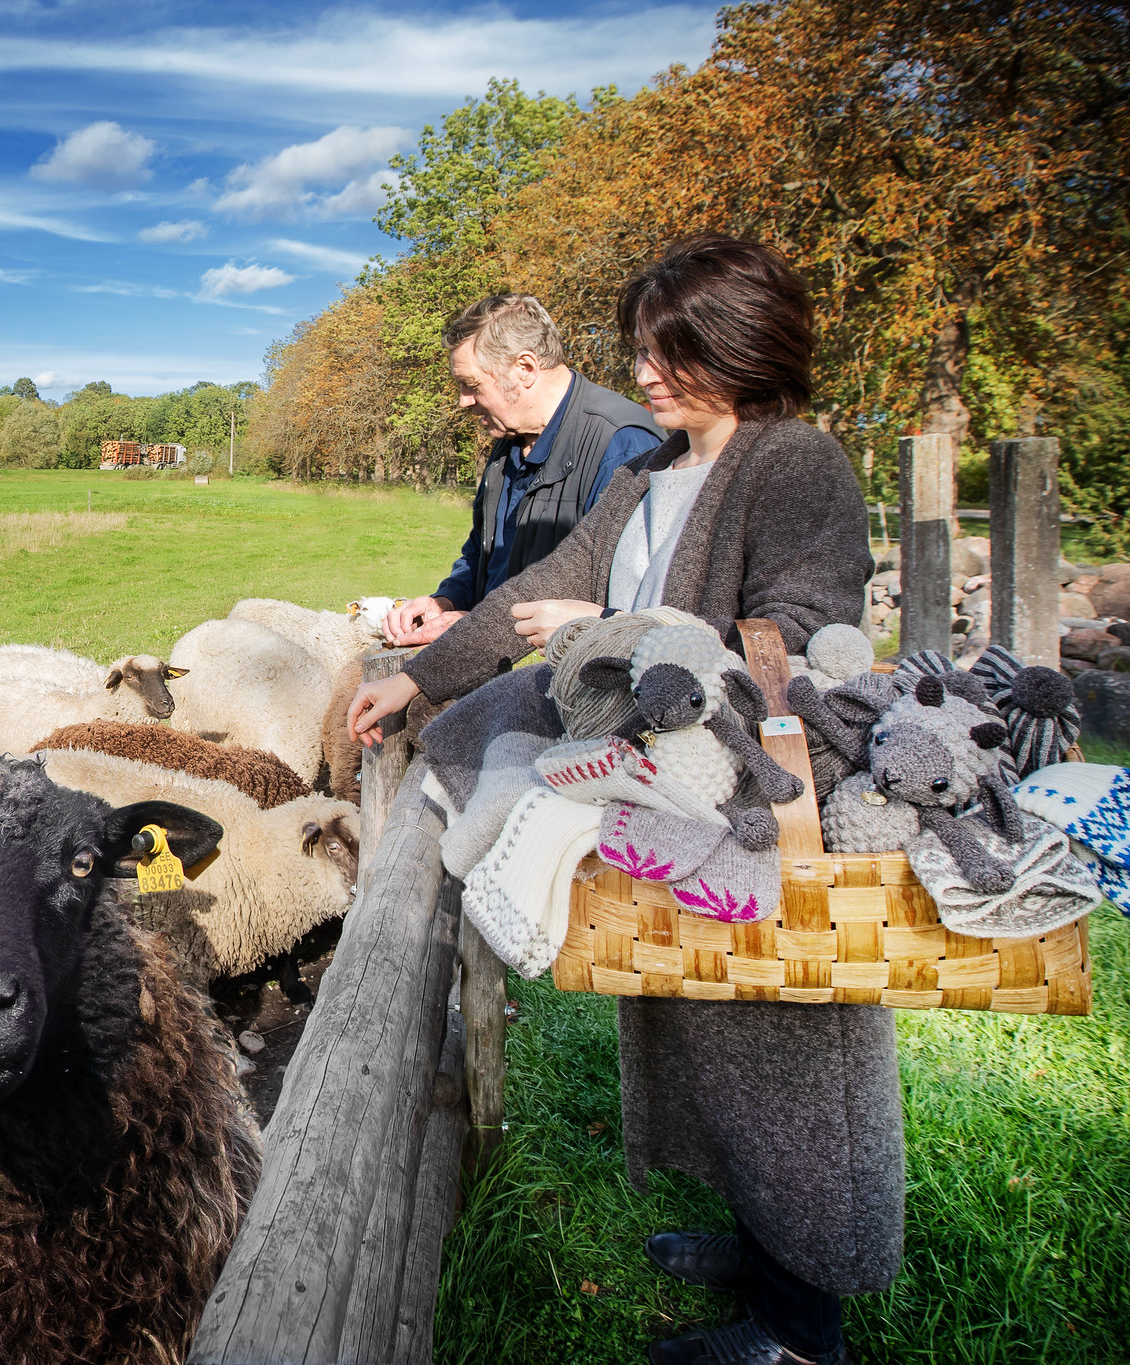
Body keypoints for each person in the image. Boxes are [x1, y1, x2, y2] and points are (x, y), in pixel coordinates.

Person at [351, 236, 891, 1365]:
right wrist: (420, 677)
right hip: (663, 792)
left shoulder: (794, 466)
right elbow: (541, 590)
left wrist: (609, 640)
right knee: (701, 1028)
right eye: (642, 347)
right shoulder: (652, 472)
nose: (641, 370)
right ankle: (758, 1242)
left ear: (736, 345)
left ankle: (802, 1330)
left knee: (781, 1049)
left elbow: (788, 645)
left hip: (746, 803)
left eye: (667, 347)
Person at [382, 294, 661, 648]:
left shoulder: (623, 445)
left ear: (525, 369)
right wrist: (446, 601)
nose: (463, 400)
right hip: (488, 660)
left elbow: (618, 606)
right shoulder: (509, 441)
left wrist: (481, 627)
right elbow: (481, 554)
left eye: (472, 384)